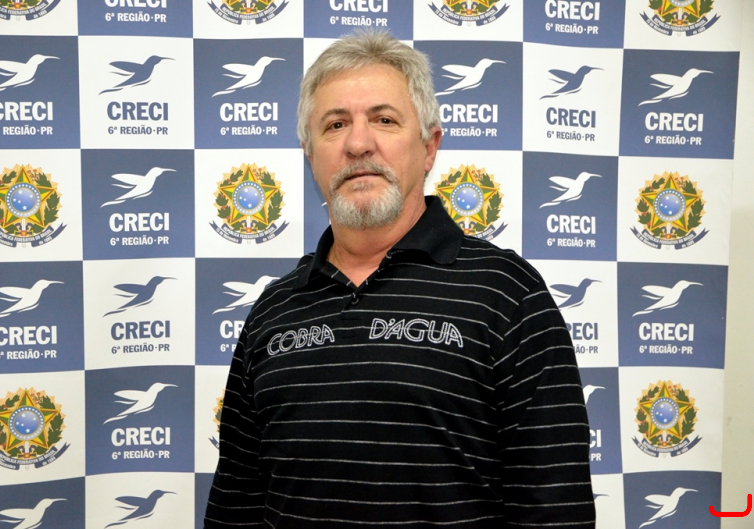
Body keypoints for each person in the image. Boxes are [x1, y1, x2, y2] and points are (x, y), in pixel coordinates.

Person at [205, 31, 595, 528]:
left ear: (429, 147)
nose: (358, 143)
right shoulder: (274, 310)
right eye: (335, 125)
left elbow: (556, 510)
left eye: (384, 120)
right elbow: (235, 508)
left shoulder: (508, 295)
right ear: (310, 154)